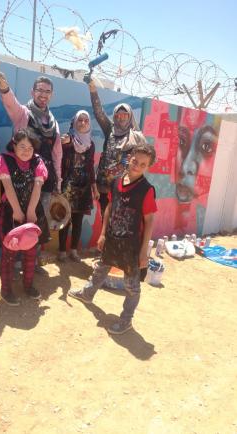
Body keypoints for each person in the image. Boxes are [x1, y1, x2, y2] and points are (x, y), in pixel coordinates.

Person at [68, 143, 157, 335]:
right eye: (135, 161)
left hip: (132, 246)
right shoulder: (116, 182)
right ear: (129, 158)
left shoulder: (146, 190)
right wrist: (102, 233)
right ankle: (87, 293)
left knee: (131, 285)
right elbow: (109, 207)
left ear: (147, 167)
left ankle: (126, 320)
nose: (137, 166)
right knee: (101, 268)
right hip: (112, 239)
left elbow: (149, 221)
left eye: (143, 164)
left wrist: (144, 252)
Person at [0, 71, 62, 272]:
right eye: (40, 90)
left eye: (47, 91)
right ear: (32, 91)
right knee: (17, 219)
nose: (43, 94)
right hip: (21, 179)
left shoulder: (53, 122)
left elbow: (57, 153)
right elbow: (10, 103)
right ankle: (14, 262)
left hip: (44, 179)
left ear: (51, 95)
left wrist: (58, 180)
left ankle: (33, 260)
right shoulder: (23, 113)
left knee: (38, 221)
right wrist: (4, 87)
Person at [0, 129, 50, 306]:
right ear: (14, 145)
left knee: (30, 252)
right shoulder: (5, 160)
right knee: (9, 253)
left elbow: (37, 187)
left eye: (30, 147)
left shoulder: (38, 162)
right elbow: (8, 187)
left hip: (32, 211)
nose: (26, 151)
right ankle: (6, 290)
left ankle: (28, 285)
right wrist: (17, 212)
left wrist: (31, 212)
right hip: (11, 212)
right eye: (22, 146)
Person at [86, 78, 145, 218]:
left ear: (130, 116)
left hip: (124, 187)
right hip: (104, 186)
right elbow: (99, 112)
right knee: (105, 218)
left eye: (125, 114)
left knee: (119, 220)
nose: (121, 118)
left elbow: (143, 160)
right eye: (118, 114)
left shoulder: (136, 137)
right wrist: (93, 91)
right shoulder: (110, 129)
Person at [58, 110, 99, 262]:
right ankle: (62, 251)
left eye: (86, 121)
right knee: (64, 219)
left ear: (89, 124)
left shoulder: (91, 145)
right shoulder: (67, 141)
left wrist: (94, 187)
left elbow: (90, 166)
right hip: (67, 187)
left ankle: (73, 251)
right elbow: (59, 162)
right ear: (74, 123)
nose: (82, 123)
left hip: (83, 188)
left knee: (78, 221)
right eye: (79, 120)